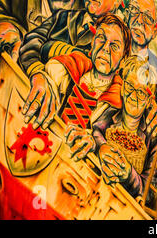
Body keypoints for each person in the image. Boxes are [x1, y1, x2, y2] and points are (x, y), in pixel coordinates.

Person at [20, 0, 125, 130]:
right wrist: (37, 73)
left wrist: (50, 48)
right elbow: (31, 42)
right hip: (29, 112)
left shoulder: (118, 47)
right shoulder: (63, 18)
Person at [39, 14, 131, 159]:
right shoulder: (71, 66)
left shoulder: (120, 105)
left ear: (123, 59)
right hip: (43, 141)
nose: (106, 48)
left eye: (114, 46)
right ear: (93, 42)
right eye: (101, 38)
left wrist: (94, 142)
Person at [91, 55, 157, 199]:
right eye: (130, 86)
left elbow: (149, 189)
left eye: (141, 92)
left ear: (149, 102)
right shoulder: (110, 113)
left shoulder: (154, 139)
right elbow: (95, 131)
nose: (133, 95)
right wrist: (102, 147)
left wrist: (129, 175)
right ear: (123, 88)